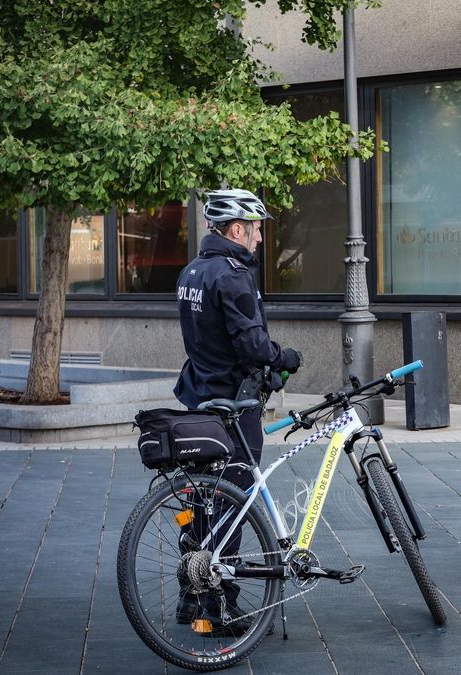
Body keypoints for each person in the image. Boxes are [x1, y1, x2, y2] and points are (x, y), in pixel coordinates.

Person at [173, 188, 302, 633]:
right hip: (234, 405)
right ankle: (220, 607)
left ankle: (191, 600)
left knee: (205, 503)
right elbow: (251, 344)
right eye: (256, 229)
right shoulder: (232, 275)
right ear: (235, 230)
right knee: (233, 505)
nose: (260, 239)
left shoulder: (191, 272)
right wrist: (284, 357)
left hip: (198, 398)